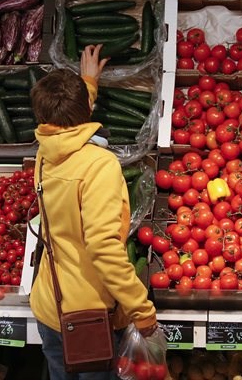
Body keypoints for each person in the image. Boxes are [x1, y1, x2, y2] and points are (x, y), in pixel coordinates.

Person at [29, 44, 158, 380]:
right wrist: (141, 310)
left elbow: (63, 123)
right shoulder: (99, 166)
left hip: (50, 304)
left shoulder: (44, 154)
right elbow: (103, 248)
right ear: (85, 113)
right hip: (89, 315)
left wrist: (88, 83)